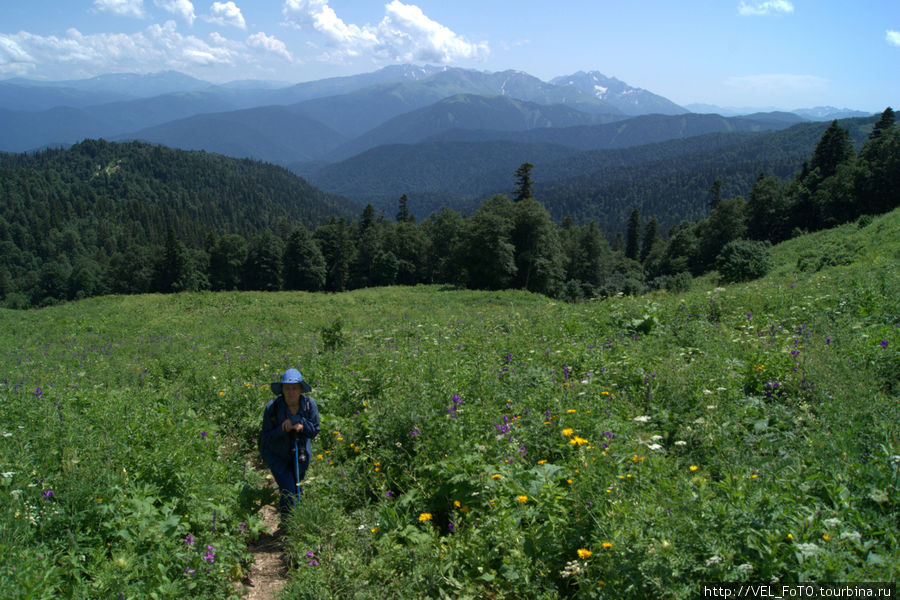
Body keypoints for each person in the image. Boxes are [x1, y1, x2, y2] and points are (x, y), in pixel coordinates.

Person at [259, 368, 320, 518]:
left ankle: (294, 519)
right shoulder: (273, 408)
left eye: (294, 388)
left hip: (300, 453)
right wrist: (282, 429)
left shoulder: (309, 405)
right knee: (288, 490)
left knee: (297, 486)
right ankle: (289, 523)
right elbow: (266, 436)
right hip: (276, 454)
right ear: (282, 389)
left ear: (300, 389)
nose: (291, 392)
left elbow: (315, 430)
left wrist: (302, 425)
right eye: (287, 388)